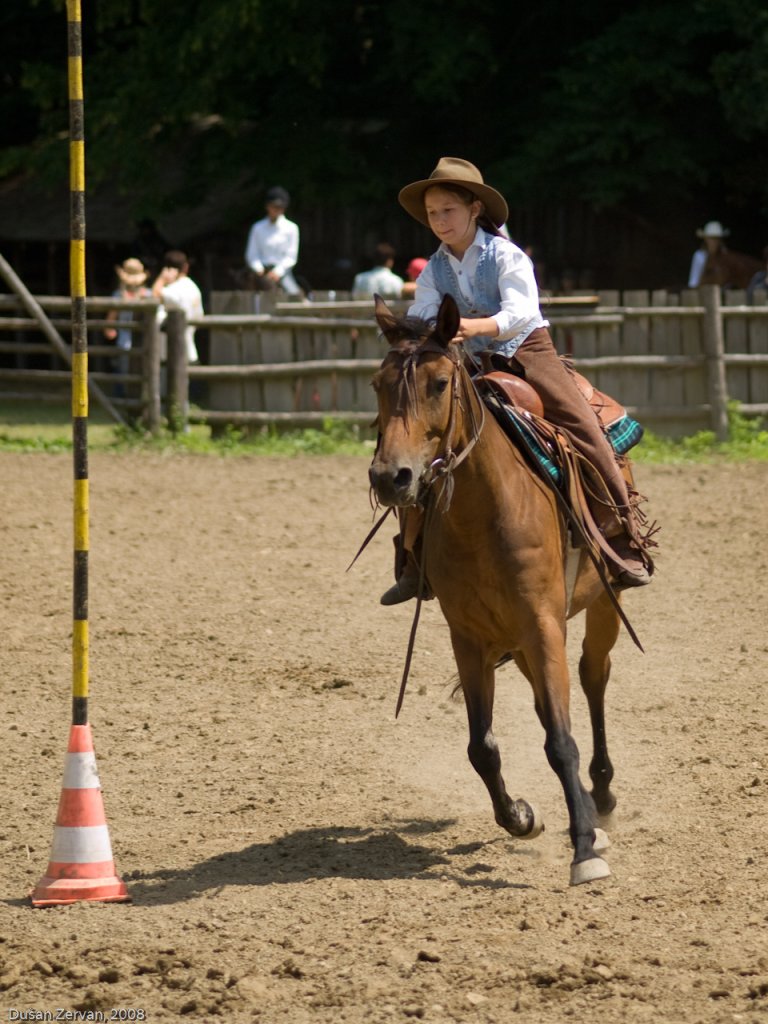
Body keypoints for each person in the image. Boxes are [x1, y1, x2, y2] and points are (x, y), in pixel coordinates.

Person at [380, 156, 653, 605]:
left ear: (473, 209)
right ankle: (415, 560)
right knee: (418, 447)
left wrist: (476, 328)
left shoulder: (506, 255)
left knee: (583, 428)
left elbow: (522, 312)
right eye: (432, 214)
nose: (439, 220)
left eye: (448, 210)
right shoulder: (434, 269)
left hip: (527, 356)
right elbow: (425, 313)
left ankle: (622, 536)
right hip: (466, 365)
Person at [104, 258, 151, 396]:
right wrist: (110, 329)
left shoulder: (147, 295)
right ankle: (124, 399)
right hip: (125, 340)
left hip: (143, 340)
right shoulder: (119, 295)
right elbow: (110, 321)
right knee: (123, 370)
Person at [244, 186, 302, 296]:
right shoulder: (257, 228)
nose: (276, 209)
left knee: (294, 294)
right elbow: (252, 254)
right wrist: (258, 268)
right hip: (260, 271)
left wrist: (277, 272)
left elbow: (291, 257)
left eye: (279, 207)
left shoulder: (291, 228)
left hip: (282, 272)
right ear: (267, 206)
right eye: (273, 206)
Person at [152, 250, 204, 364]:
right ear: (185, 267)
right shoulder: (194, 288)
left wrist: (161, 278)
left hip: (173, 354)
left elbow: (155, 295)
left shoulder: (174, 289)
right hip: (190, 351)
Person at [688, 221, 729, 287]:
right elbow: (694, 280)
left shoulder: (725, 255)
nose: (714, 242)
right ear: (706, 239)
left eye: (716, 238)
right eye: (711, 238)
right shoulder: (699, 256)